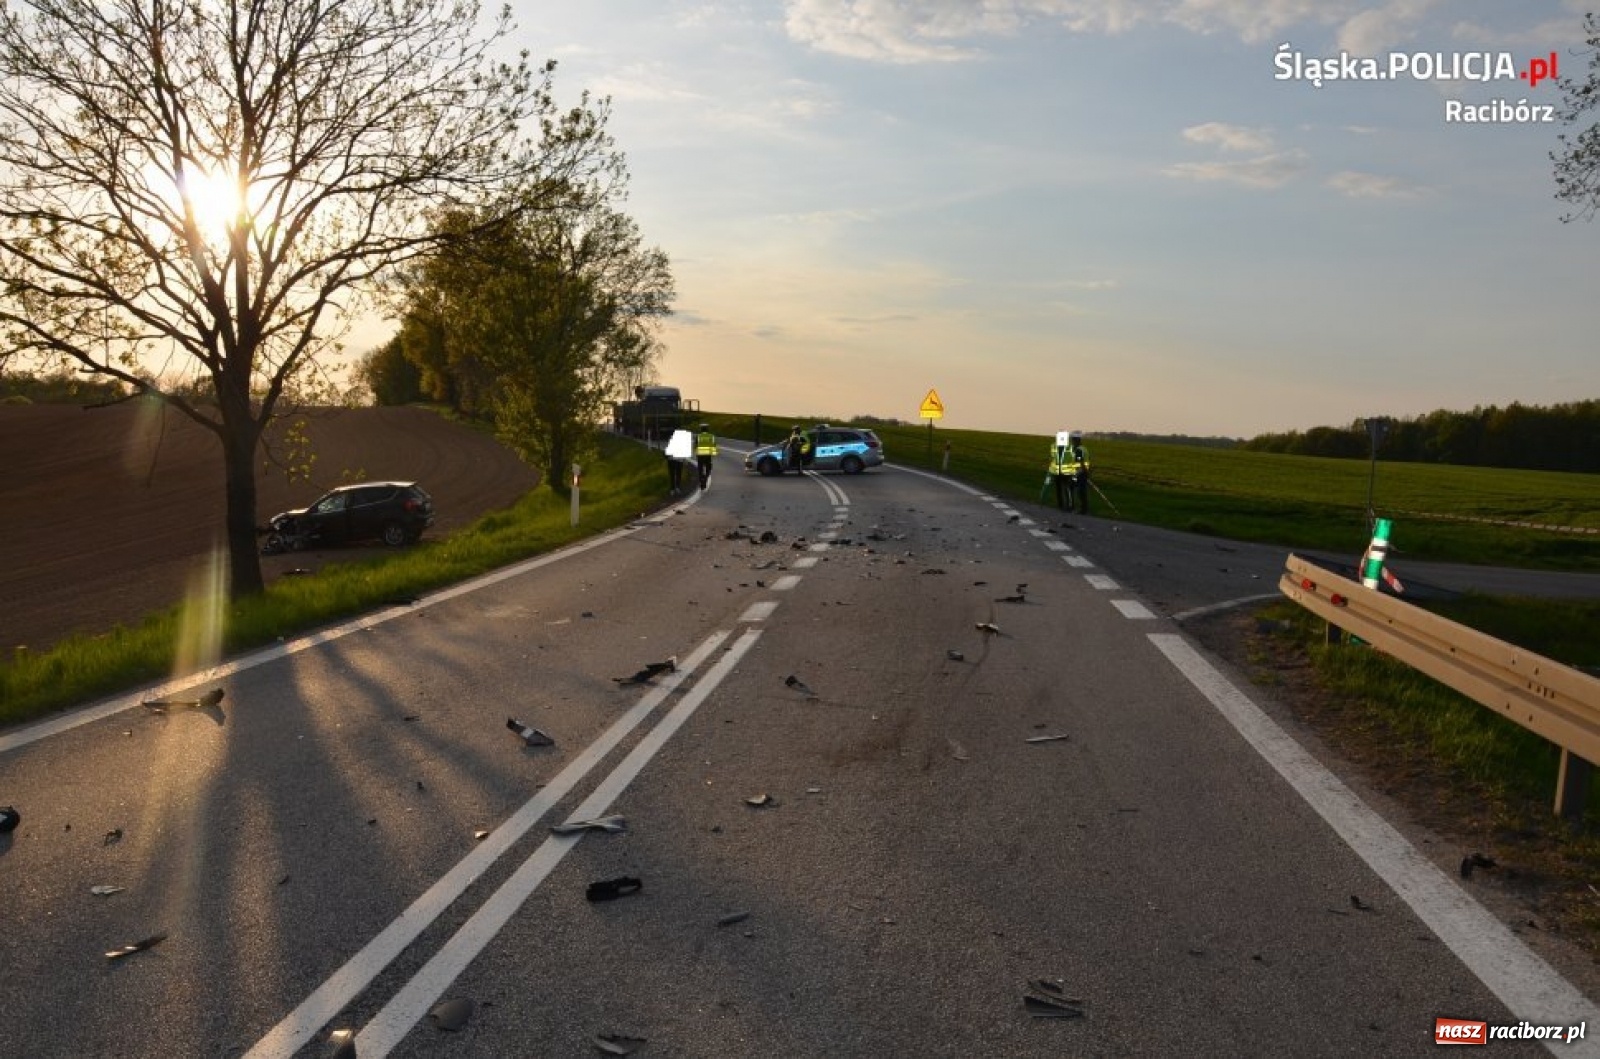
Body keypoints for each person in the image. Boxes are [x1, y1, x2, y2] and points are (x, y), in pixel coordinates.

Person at [1049, 430, 1091, 513]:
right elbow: (1088, 460)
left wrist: (1077, 474)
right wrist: (1087, 472)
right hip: (1083, 472)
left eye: (1073, 439)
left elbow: (1081, 462)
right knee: (1080, 490)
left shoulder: (1078, 450)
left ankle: (1073, 507)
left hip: (1080, 473)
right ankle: (1082, 508)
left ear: (1076, 440)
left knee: (1072, 488)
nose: (1072, 441)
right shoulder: (1084, 449)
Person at [694, 422, 718, 489]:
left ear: (701, 429)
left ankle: (701, 480)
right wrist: (713, 454)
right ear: (707, 429)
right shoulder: (711, 436)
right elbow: (714, 446)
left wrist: (697, 453)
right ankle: (705, 478)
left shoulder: (698, 436)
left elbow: (696, 446)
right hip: (708, 455)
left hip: (700, 455)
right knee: (708, 468)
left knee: (700, 469)